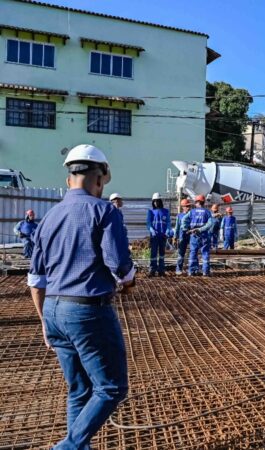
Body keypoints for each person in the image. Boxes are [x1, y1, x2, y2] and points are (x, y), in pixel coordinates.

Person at [27, 144, 134, 449]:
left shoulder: (49, 218)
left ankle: (78, 446)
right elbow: (120, 267)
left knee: (79, 390)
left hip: (53, 310)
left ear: (68, 179)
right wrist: (130, 279)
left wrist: (45, 322)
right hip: (87, 312)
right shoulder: (105, 211)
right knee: (112, 388)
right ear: (100, 179)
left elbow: (36, 280)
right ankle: (69, 446)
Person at [181, 195, 214, 276]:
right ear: (203, 202)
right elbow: (210, 224)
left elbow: (183, 220)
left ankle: (191, 271)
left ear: (198, 202)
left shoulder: (192, 212)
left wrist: (185, 229)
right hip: (204, 235)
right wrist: (200, 229)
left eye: (195, 202)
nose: (195, 204)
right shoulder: (207, 212)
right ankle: (205, 272)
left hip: (194, 235)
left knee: (193, 253)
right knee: (205, 253)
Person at [146, 193, 170, 277]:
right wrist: (152, 230)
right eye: (154, 201)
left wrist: (167, 231)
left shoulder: (166, 211)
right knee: (153, 253)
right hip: (154, 236)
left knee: (162, 254)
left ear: (160, 201)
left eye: (157, 201)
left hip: (163, 236)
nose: (155, 203)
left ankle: (161, 270)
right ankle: (152, 270)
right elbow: (148, 223)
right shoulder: (150, 211)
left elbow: (168, 223)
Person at [174, 199, 191, 275]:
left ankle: (192, 270)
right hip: (182, 236)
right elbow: (177, 227)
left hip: (191, 236)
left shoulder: (192, 214)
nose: (188, 207)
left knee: (193, 253)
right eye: (187, 206)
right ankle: (178, 269)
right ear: (183, 207)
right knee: (181, 254)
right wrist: (175, 237)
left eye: (189, 206)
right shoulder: (179, 216)